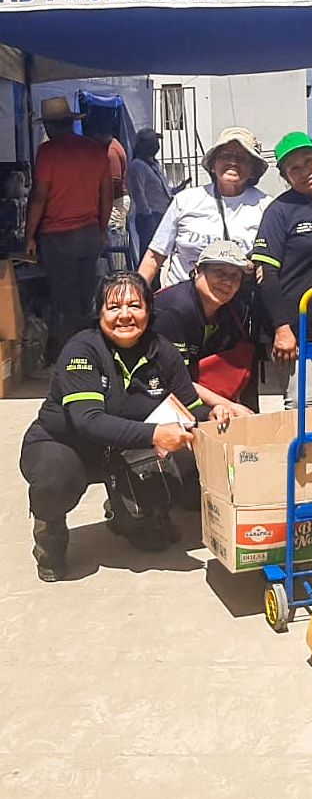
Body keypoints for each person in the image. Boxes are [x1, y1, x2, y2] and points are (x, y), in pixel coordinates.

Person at [19, 271, 231, 581]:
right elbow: (88, 421)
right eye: (114, 307)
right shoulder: (82, 350)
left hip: (126, 449)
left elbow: (190, 409)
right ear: (99, 312)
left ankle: (126, 511)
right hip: (67, 445)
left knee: (157, 534)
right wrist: (156, 434)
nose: (125, 315)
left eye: (135, 305)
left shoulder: (164, 351)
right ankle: (49, 530)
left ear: (149, 310)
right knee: (56, 477)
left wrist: (212, 414)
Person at [252, 132, 312, 409]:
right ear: (285, 176)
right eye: (295, 168)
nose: (306, 171)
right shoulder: (279, 211)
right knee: (299, 405)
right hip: (292, 330)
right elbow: (266, 274)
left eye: (310, 161)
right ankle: (297, 454)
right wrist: (282, 329)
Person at [24, 97, 113, 361]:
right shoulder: (96, 150)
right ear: (70, 122)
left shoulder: (48, 152)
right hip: (88, 232)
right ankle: (93, 352)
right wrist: (102, 228)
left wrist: (29, 235)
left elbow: (40, 196)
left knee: (65, 302)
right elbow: (106, 195)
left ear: (50, 127)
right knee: (87, 298)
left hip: (57, 235)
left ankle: (71, 358)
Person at [137, 127, 271, 288]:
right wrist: (137, 295)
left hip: (238, 303)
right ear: (213, 165)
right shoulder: (185, 201)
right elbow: (154, 257)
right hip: (182, 302)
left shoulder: (267, 207)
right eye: (226, 155)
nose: (233, 162)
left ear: (254, 171)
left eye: (242, 158)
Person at [153, 241, 255, 420]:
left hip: (199, 394)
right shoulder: (173, 310)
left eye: (235, 276)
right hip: (157, 396)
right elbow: (173, 380)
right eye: (219, 273)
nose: (227, 282)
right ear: (198, 270)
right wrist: (226, 405)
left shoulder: (235, 309)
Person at [126, 127, 173, 261]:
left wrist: (175, 190)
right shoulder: (137, 166)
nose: (156, 145)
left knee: (160, 255)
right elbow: (138, 193)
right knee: (148, 255)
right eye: (153, 142)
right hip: (150, 216)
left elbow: (161, 189)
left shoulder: (154, 165)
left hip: (162, 214)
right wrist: (148, 216)